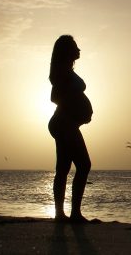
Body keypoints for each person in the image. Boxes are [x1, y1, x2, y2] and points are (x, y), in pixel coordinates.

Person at [48, 35, 93, 223]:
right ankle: (72, 214)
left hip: (66, 123)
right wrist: (75, 108)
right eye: (75, 46)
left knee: (64, 168)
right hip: (64, 122)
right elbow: (55, 97)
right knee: (84, 164)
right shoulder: (62, 73)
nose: (79, 50)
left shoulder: (66, 70)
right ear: (67, 50)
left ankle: (63, 214)